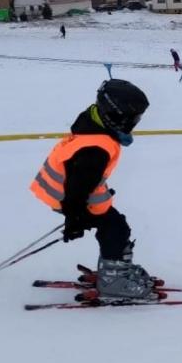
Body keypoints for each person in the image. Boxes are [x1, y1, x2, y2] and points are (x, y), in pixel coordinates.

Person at [31, 78, 154, 300]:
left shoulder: (92, 123)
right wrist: (74, 218)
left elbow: (82, 176)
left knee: (115, 226)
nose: (135, 123)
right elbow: (77, 185)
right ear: (116, 115)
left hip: (70, 192)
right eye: (133, 118)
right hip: (69, 198)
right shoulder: (96, 148)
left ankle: (116, 269)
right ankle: (113, 280)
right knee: (115, 229)